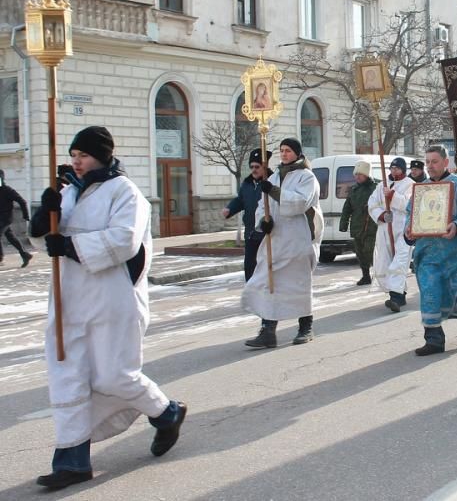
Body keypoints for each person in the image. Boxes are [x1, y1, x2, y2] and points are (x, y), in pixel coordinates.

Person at [29, 126, 186, 490]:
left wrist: (68, 246)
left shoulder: (125, 193)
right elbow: (45, 239)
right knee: (69, 378)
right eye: (73, 155)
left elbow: (124, 241)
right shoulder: (68, 193)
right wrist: (45, 214)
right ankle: (72, 462)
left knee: (114, 376)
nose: (76, 161)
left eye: (82, 155)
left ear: (100, 155)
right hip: (69, 299)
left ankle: (168, 413)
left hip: (112, 298)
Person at [404, 145, 457, 355]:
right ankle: (434, 339)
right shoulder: (420, 189)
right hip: (427, 253)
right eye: (428, 162)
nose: (430, 166)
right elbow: (410, 214)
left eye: (434, 162)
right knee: (430, 291)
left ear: (445, 162)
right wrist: (409, 230)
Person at [242, 138, 324, 347]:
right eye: (281, 151)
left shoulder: (307, 177)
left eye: (288, 150)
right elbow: (263, 204)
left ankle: (306, 327)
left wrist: (273, 191)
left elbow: (299, 203)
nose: (284, 154)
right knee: (270, 284)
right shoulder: (276, 175)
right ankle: (268, 331)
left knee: (298, 285)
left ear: (297, 153)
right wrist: (264, 222)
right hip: (276, 240)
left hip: (298, 239)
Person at [368, 157, 414, 311]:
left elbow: (409, 204)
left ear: (403, 169)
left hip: (403, 229)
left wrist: (392, 196)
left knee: (399, 262)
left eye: (397, 168)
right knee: (386, 261)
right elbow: (372, 203)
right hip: (385, 230)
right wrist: (381, 215)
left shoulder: (410, 184)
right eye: (392, 168)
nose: (394, 171)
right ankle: (399, 294)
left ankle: (396, 298)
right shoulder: (381, 185)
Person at [222, 149, 272, 281]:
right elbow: (240, 200)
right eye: (251, 167)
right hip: (251, 234)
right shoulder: (247, 183)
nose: (254, 170)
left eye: (257, 167)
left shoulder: (272, 181)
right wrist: (230, 209)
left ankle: (267, 297)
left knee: (266, 268)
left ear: (264, 166)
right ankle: (251, 294)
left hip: (267, 234)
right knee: (250, 268)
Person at [340, 161, 378, 286]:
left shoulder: (375, 187)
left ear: (366, 174)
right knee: (360, 253)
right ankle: (366, 276)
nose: (357, 177)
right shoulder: (354, 189)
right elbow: (347, 207)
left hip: (372, 226)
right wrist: (343, 223)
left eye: (360, 174)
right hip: (357, 226)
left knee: (370, 251)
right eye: (356, 174)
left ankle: (380, 274)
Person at [0, 168, 32, 267]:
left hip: (6, 218)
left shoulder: (8, 190)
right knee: (11, 237)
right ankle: (25, 254)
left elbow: (22, 201)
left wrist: (26, 215)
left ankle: (0, 258)